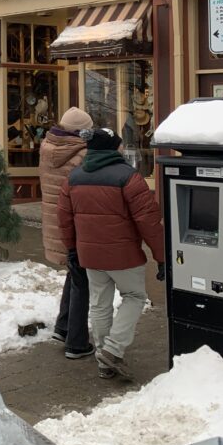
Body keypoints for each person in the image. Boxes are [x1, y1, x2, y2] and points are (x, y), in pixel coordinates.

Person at [57, 128, 166, 381]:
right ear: (113, 148)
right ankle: (112, 350)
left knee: (99, 303)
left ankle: (104, 361)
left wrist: (72, 250)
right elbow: (149, 221)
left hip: (90, 255)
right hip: (123, 254)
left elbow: (64, 219)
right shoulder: (129, 177)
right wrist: (161, 257)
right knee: (134, 297)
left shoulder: (73, 178)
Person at [38, 106, 94, 360]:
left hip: (56, 222)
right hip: (77, 223)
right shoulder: (81, 154)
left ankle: (63, 326)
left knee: (75, 273)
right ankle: (77, 341)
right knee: (82, 279)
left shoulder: (47, 147)